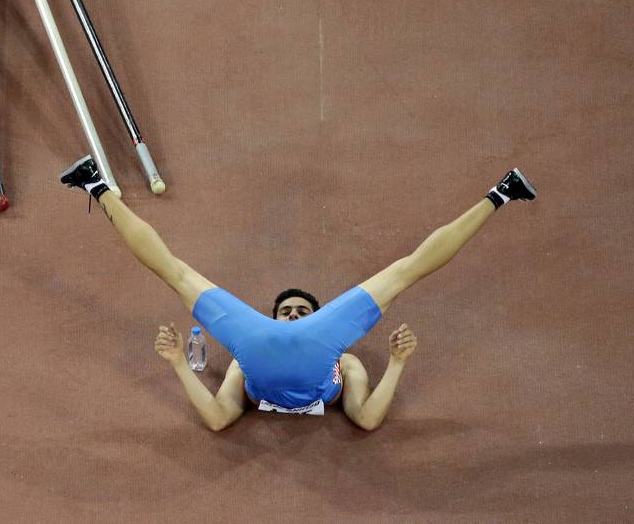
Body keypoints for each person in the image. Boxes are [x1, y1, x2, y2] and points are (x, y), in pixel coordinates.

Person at [59, 156, 536, 430]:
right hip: (262, 339)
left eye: (301, 310)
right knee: (176, 273)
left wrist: (396, 365)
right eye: (286, 310)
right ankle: (97, 186)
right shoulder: (265, 355)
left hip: (309, 343)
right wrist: (182, 368)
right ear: (273, 318)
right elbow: (221, 415)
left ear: (316, 316)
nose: (292, 314)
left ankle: (500, 194)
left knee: (406, 271)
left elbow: (364, 418)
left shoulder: (337, 358)